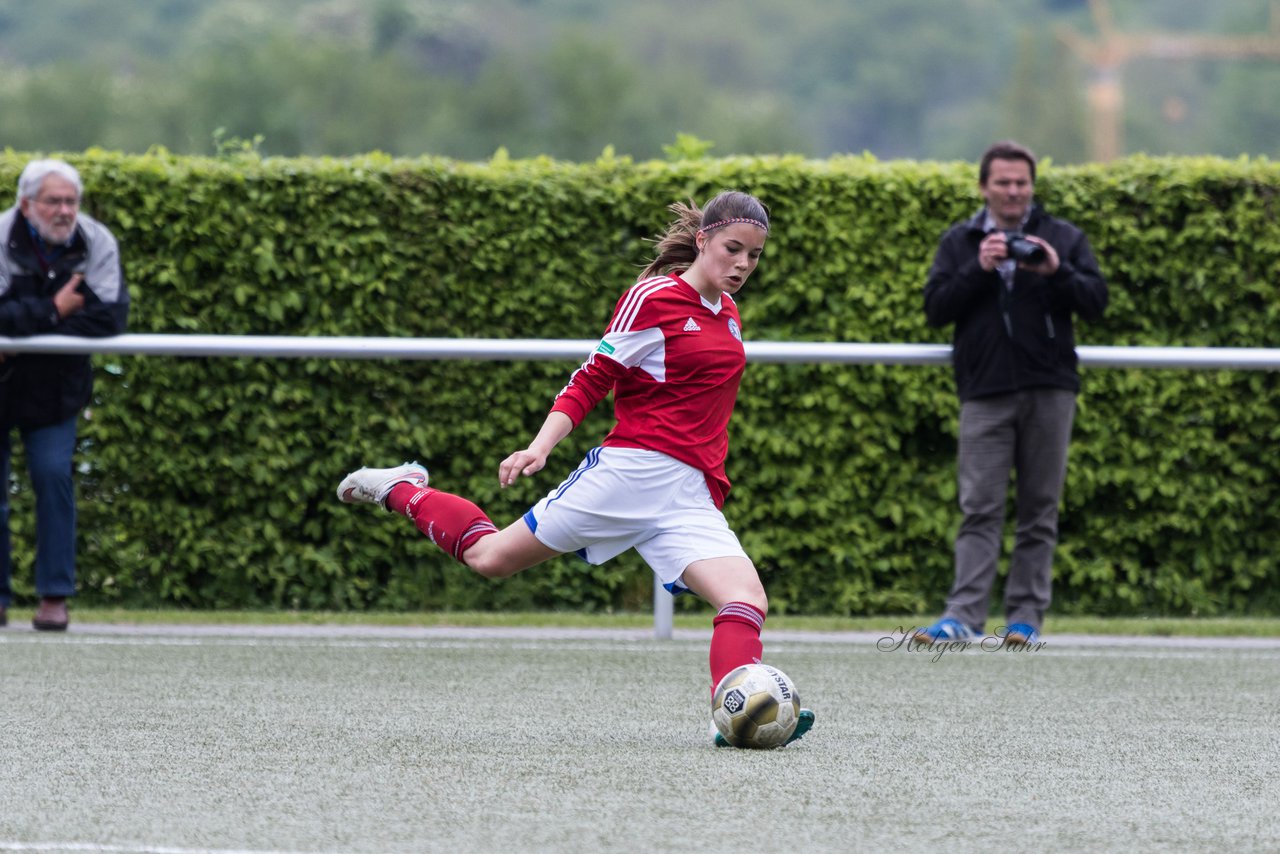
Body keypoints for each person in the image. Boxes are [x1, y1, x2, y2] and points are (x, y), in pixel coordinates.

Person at [338, 190, 814, 747]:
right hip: (627, 475)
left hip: (688, 496)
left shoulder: (728, 315)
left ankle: (732, 715)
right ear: (703, 240)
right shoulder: (653, 297)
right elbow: (591, 378)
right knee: (490, 558)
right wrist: (540, 446)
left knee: (746, 599)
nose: (743, 265)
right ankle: (401, 488)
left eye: (754, 256)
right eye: (733, 249)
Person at [917, 141, 1108, 647]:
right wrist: (978, 267)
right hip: (984, 391)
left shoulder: (1062, 238)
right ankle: (964, 614)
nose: (1013, 191)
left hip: (1050, 389)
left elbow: (1096, 301)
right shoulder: (959, 242)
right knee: (979, 507)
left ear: (1033, 186)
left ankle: (1026, 618)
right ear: (984, 187)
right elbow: (935, 308)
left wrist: (1056, 270)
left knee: (1039, 508)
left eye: (1021, 182)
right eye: (1002, 182)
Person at [0, 159, 129, 631]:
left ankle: (54, 597)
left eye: (71, 201)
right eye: (53, 201)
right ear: (26, 204)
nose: (64, 210)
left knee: (54, 479)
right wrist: (55, 308)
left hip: (56, 388)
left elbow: (109, 318)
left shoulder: (97, 241)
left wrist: (24, 328)